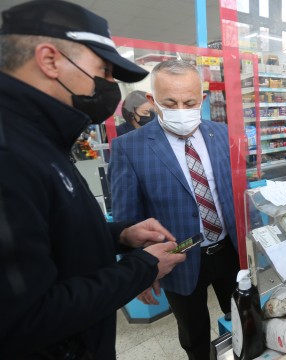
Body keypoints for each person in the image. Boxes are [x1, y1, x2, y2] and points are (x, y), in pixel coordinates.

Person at [0, 1, 186, 359]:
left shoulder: (39, 138)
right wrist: (144, 267)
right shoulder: (10, 153)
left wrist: (119, 235)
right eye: (103, 69)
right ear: (50, 59)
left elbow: (50, 237)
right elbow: (23, 318)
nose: (110, 84)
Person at [109, 59, 240, 360]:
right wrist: (137, 268)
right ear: (153, 101)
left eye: (190, 102)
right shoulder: (130, 147)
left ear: (202, 100)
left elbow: (231, 189)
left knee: (241, 313)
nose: (181, 109)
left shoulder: (220, 134)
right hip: (178, 259)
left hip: (228, 249)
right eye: (170, 102)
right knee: (193, 333)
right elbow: (126, 217)